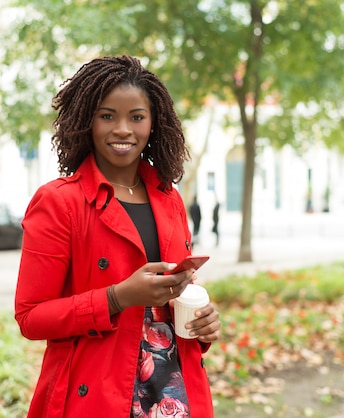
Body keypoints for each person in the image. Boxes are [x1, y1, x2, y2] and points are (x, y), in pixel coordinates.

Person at [15, 55, 221, 418]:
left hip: (175, 393)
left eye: (137, 117)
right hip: (97, 394)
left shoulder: (168, 197)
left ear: (154, 124)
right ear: (86, 121)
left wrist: (202, 322)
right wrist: (117, 297)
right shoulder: (60, 202)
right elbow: (31, 317)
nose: (123, 129)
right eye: (107, 115)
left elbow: (176, 295)